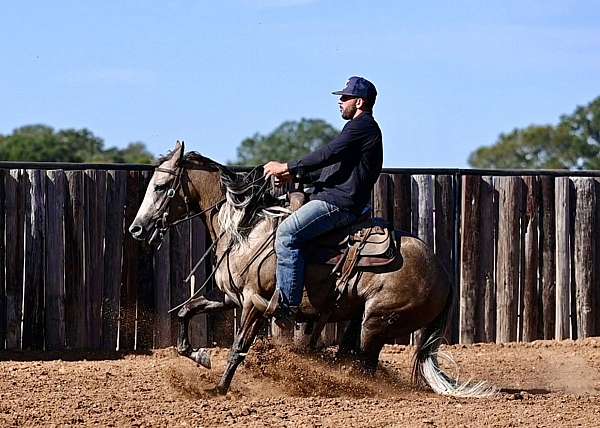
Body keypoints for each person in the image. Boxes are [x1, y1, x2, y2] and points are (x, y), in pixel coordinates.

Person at [251, 76, 383, 329]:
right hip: (339, 199)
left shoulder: (362, 127)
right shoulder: (358, 130)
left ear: (359, 102)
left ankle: (287, 308)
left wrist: (287, 166)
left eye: (345, 98)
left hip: (339, 203)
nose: (340, 102)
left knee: (287, 233)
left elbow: (328, 153)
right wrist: (295, 175)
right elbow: (332, 166)